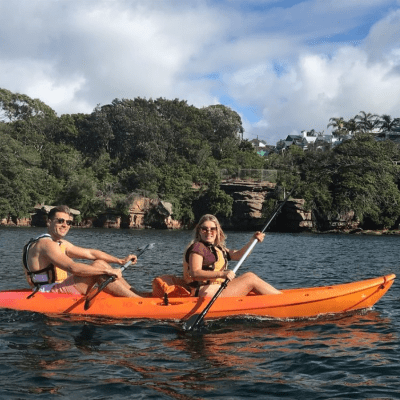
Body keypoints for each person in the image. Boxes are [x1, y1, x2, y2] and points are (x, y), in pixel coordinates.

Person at [23, 205, 141, 298]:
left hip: (56, 286)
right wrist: (107, 271)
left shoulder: (59, 243)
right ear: (49, 222)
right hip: (47, 292)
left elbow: (91, 253)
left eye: (68, 222)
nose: (65, 225)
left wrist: (120, 261)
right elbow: (72, 268)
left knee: (99, 262)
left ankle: (138, 295)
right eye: (60, 221)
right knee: (98, 269)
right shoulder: (46, 244)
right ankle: (138, 302)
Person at [183, 214, 281, 297]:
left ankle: (278, 296)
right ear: (199, 231)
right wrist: (222, 274)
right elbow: (195, 273)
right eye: (204, 229)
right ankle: (281, 299)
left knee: (249, 276)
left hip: (217, 288)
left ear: (217, 231)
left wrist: (252, 241)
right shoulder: (197, 248)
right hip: (204, 292)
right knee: (250, 278)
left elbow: (239, 255)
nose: (209, 232)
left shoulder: (218, 248)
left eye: (212, 229)